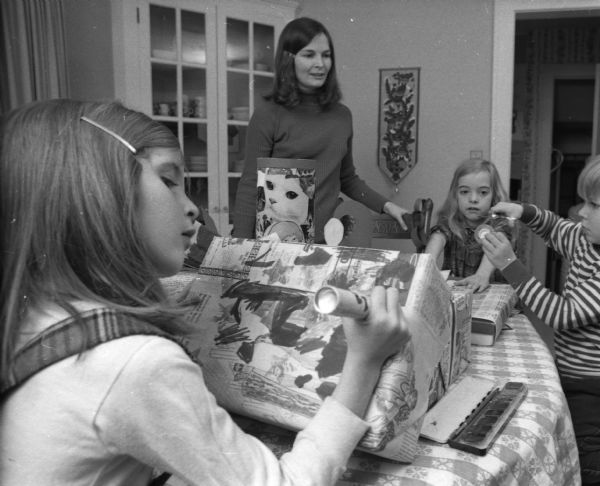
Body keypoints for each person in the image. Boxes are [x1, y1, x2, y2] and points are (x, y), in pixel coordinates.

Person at [0, 99, 412, 485]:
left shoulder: (33, 311)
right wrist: (364, 361)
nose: (193, 206)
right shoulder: (132, 363)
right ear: (97, 194)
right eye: (168, 181)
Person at [232, 16, 409, 244]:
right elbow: (250, 185)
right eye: (309, 55)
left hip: (327, 243)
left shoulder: (342, 116)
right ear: (289, 59)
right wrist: (239, 249)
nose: (321, 64)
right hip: (278, 244)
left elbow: (347, 179)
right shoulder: (268, 114)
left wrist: (388, 206)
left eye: (326, 55)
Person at [479, 154, 600, 485]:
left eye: (593, 205)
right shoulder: (585, 239)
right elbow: (555, 225)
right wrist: (523, 211)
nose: (582, 212)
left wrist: (510, 265)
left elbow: (561, 314)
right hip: (572, 374)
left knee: (589, 461)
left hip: (592, 388)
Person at [424, 158, 512, 292]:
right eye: (465, 192)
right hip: (457, 291)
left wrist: (482, 275)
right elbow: (438, 237)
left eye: (483, 192)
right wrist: (427, 264)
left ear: (494, 195)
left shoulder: (500, 222)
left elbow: (495, 246)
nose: (473, 199)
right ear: (456, 195)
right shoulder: (450, 220)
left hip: (492, 291)